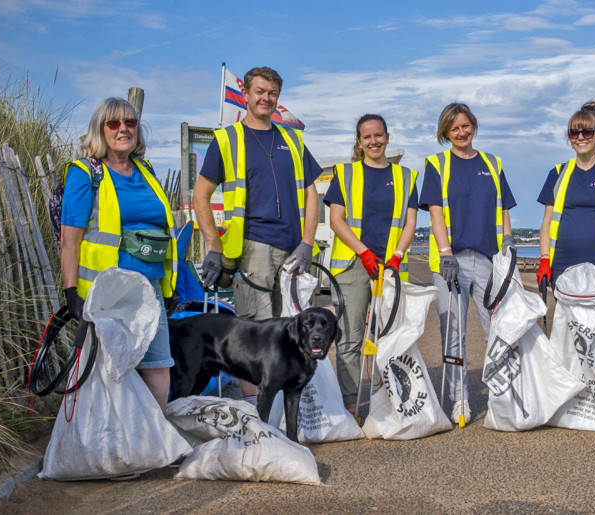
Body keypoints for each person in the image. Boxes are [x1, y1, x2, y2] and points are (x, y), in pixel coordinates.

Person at [193, 66, 320, 407]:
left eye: (272, 93)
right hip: (252, 248)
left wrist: (307, 242)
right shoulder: (226, 139)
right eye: (260, 91)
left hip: (293, 248)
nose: (266, 98)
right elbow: (199, 196)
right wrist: (213, 248)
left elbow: (311, 194)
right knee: (255, 334)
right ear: (246, 94)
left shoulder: (293, 140)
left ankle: (284, 413)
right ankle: (256, 418)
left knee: (293, 332)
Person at [60, 98, 176, 412]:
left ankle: (153, 445)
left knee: (157, 365)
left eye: (130, 122)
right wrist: (71, 292)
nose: (123, 129)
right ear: (100, 130)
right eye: (114, 123)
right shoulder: (86, 173)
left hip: (148, 288)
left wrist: (170, 286)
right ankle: (108, 446)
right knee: (108, 371)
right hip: (107, 291)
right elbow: (70, 240)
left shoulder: (145, 170)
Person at [420, 102, 516, 423]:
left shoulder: (492, 163)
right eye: (454, 128)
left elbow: (503, 210)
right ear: (446, 133)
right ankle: (458, 398)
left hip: (488, 260)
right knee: (453, 333)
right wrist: (445, 252)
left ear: (473, 126)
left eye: (465, 126)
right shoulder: (437, 164)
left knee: (497, 329)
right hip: (452, 261)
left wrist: (509, 246)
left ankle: (503, 394)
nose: (461, 132)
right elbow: (435, 211)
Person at [325, 114, 418, 414]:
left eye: (378, 135)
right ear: (359, 142)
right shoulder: (345, 173)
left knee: (387, 336)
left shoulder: (406, 177)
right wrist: (363, 252)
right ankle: (352, 406)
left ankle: (384, 401)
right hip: (352, 265)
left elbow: (409, 223)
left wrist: (397, 256)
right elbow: (336, 220)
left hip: (389, 268)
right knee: (350, 339)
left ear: (387, 137)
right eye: (367, 137)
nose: (374, 141)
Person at [537, 102, 595, 288]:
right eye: (574, 133)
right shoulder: (557, 174)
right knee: (567, 318)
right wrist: (544, 259)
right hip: (562, 265)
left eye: (587, 132)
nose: (580, 138)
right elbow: (547, 221)